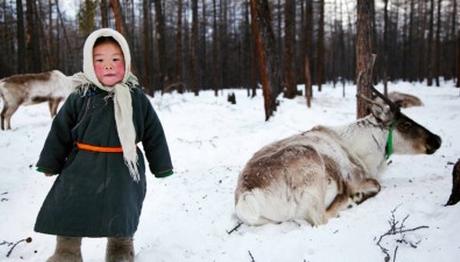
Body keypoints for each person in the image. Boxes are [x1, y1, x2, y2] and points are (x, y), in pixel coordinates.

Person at [34, 28, 173, 262]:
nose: (108, 66)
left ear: (126, 61)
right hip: (81, 167)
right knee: (70, 208)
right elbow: (60, 131)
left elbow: (154, 134)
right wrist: (50, 162)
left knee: (122, 212)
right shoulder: (81, 96)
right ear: (89, 63)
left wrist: (161, 166)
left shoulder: (136, 98)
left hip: (123, 169)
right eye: (100, 60)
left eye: (115, 59)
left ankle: (120, 250)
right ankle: (67, 251)